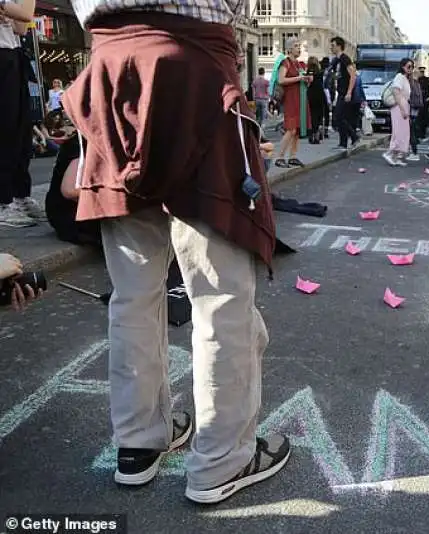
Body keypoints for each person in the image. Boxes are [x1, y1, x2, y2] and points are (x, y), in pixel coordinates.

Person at [60, 0, 291, 505]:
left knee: (133, 295)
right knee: (219, 297)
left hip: (113, 72)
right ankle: (221, 459)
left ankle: (139, 441)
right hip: (193, 70)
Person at [0, 0, 46, 227]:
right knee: (5, 129)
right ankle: (3, 201)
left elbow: (20, 25)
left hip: (12, 52)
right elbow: (26, 14)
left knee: (21, 129)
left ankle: (19, 195)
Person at [273, 38, 312, 168]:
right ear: (289, 48)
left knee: (297, 128)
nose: (299, 48)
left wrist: (307, 79)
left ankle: (293, 156)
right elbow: (281, 79)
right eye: (296, 46)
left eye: (299, 46)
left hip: (301, 98)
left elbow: (303, 80)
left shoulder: (300, 64)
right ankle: (279, 157)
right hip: (291, 99)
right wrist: (299, 78)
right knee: (291, 128)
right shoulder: (286, 62)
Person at [330, 36, 359, 150]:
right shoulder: (336, 60)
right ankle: (343, 142)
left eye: (333, 45)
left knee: (338, 117)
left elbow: (353, 75)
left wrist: (349, 92)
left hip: (345, 93)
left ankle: (353, 137)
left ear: (339, 46)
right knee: (341, 117)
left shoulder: (345, 58)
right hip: (340, 92)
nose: (331, 48)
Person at [383, 58, 413, 167]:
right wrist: (402, 109)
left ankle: (397, 157)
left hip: (403, 106)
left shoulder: (405, 78)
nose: (410, 69)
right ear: (402, 66)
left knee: (404, 132)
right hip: (398, 107)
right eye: (408, 66)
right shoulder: (399, 77)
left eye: (412, 67)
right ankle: (389, 153)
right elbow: (396, 93)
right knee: (399, 131)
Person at [306, 56, 326, 144]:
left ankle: (313, 134)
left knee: (312, 114)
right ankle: (318, 134)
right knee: (319, 115)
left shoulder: (309, 71)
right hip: (320, 93)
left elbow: (309, 81)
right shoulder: (320, 71)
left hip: (311, 94)